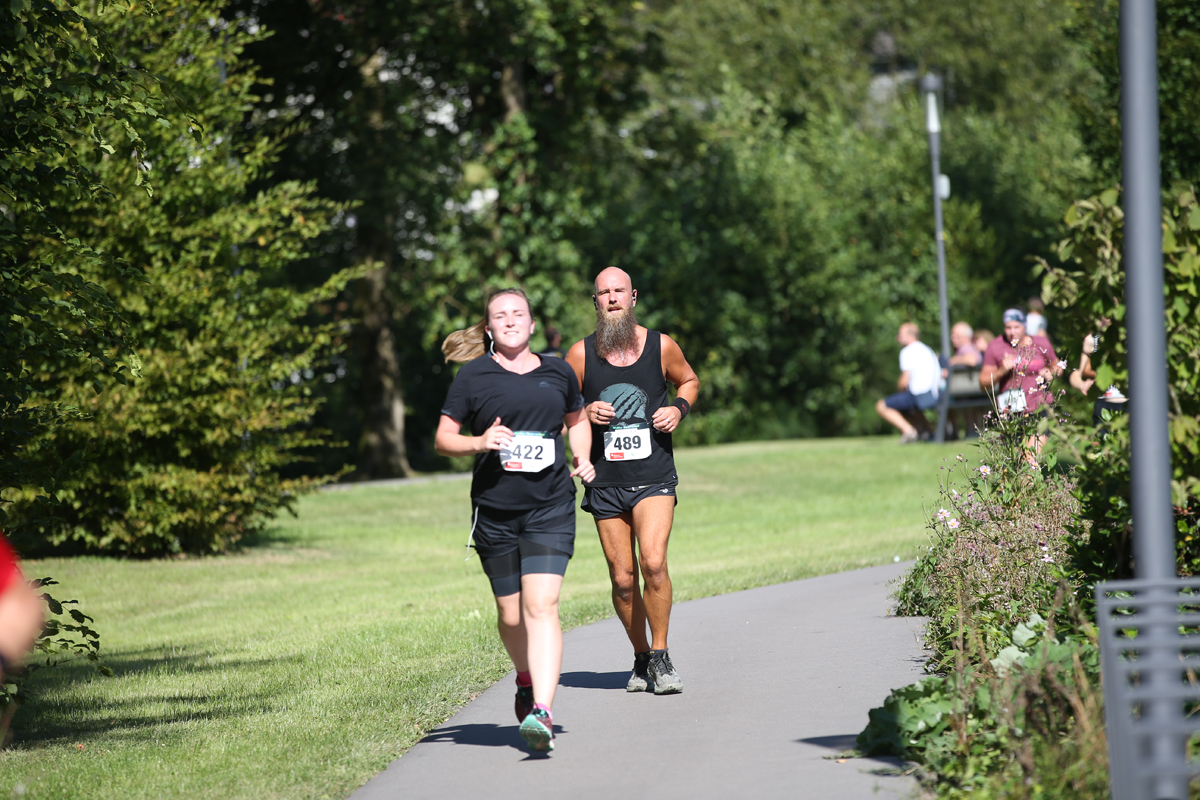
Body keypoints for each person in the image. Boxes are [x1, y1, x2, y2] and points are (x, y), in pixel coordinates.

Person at [435, 288, 596, 753]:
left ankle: (542, 710)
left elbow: (578, 418)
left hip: (550, 505)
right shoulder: (474, 377)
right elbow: (444, 439)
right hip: (496, 512)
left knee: (541, 606)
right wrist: (480, 442)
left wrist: (582, 456)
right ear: (488, 329)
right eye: (500, 316)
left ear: (530, 323)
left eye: (518, 314)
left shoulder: (558, 371)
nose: (510, 321)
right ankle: (525, 679)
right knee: (511, 614)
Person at [565, 267, 699, 695]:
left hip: (653, 475)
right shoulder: (581, 355)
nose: (612, 298)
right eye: (603, 293)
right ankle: (641, 656)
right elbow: (560, 410)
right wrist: (584, 413)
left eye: (618, 291)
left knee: (653, 563)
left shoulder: (661, 345)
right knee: (622, 579)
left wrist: (678, 408)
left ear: (633, 296)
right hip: (605, 482)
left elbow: (690, 380)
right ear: (596, 303)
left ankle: (661, 656)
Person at [978, 308, 1062, 414]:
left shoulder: (1041, 342)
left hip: (1041, 407)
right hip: (1011, 411)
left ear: (1024, 326)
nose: (1012, 332)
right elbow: (983, 384)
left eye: (1016, 327)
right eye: (1008, 328)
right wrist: (1001, 371)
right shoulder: (995, 346)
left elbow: (1058, 366)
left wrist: (1051, 372)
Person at [874, 322, 941, 443]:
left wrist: (899, 390)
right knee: (907, 405)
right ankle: (927, 431)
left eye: (900, 334)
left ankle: (909, 431)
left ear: (910, 335)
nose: (897, 337)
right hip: (932, 393)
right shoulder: (927, 349)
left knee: (881, 406)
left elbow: (904, 380)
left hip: (918, 394)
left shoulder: (907, 351)